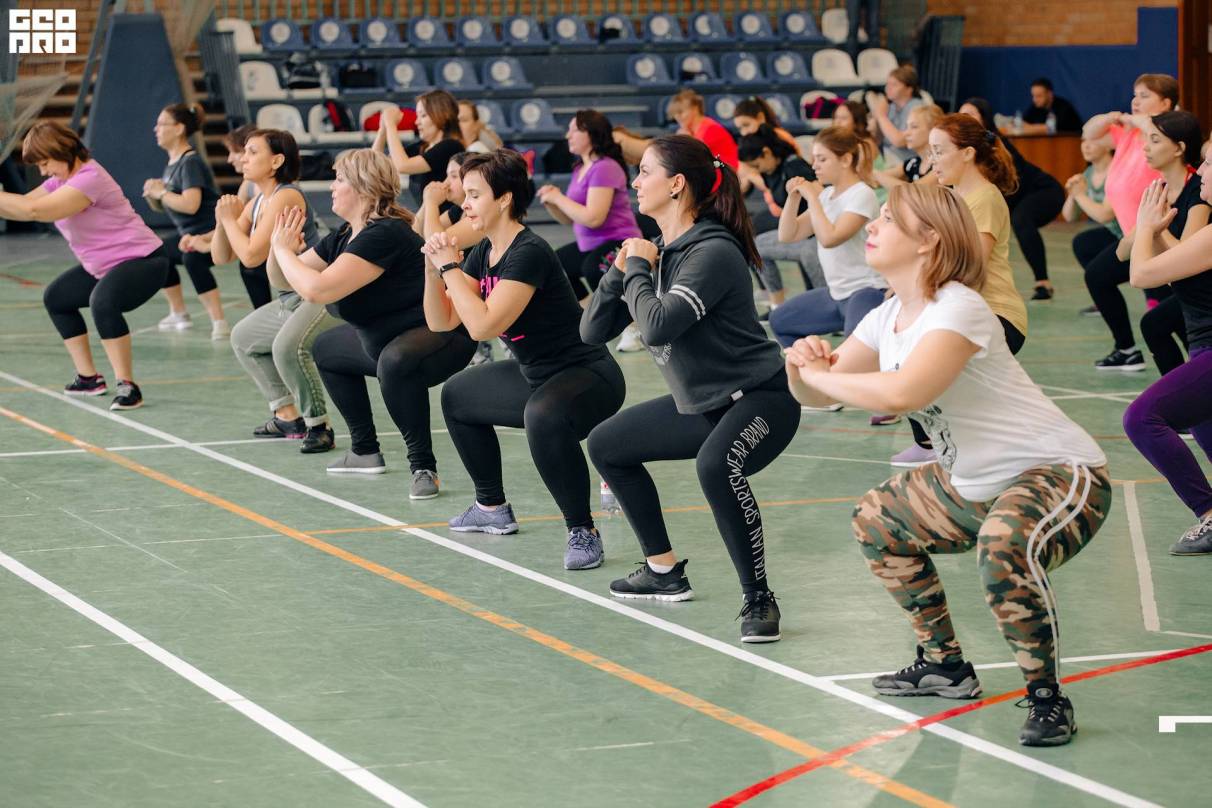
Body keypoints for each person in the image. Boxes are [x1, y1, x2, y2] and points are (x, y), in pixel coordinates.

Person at [787, 182, 1110, 747]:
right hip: (973, 483)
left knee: (1003, 546)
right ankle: (945, 665)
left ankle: (1046, 697)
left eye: (889, 219)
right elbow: (816, 394)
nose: (872, 226)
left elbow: (902, 394)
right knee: (876, 518)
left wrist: (820, 376)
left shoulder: (958, 307)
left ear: (928, 239)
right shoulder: (887, 315)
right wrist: (801, 366)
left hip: (1059, 473)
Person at [581, 135, 800, 642]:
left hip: (762, 399)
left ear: (676, 184)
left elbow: (658, 326)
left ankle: (759, 597)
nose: (635, 182)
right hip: (705, 403)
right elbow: (591, 332)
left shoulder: (712, 251)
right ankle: (662, 570)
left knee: (715, 465)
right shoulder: (658, 251)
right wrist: (621, 271)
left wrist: (638, 268)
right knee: (608, 445)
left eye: (645, 172)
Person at [421, 150, 626, 571]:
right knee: (457, 395)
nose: (465, 204)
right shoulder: (484, 252)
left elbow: (482, 326)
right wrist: (433, 270)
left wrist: (449, 268)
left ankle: (583, 531)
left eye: (474, 194)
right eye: (466, 194)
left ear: (504, 199)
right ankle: (490, 507)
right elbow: (442, 321)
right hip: (536, 374)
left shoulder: (528, 251)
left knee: (543, 415)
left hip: (587, 375)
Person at [269, 150, 477, 494]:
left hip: (442, 336)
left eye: (339, 179)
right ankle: (364, 451)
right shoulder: (344, 235)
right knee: (327, 349)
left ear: (362, 188)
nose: (332, 187)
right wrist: (280, 248)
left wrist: (281, 251)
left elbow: (316, 289)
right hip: (384, 338)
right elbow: (283, 279)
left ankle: (423, 467)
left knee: (395, 361)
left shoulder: (384, 234)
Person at [0, 121, 168, 410]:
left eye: (44, 163)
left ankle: (128, 386)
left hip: (144, 261)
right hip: (104, 267)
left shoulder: (89, 178)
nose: (43, 172)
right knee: (57, 298)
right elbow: (24, 204)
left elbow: (35, 211)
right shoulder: (60, 181)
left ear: (62, 151)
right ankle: (89, 379)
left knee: (102, 302)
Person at [213, 129, 338, 452]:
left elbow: (251, 256)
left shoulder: (286, 195)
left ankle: (318, 425)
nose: (243, 158)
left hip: (317, 293)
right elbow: (222, 256)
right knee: (243, 338)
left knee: (286, 348)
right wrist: (223, 220)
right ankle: (287, 416)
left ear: (276, 161)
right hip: (289, 297)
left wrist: (229, 220)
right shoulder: (258, 201)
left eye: (252, 152)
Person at [1126, 150, 1212, 554]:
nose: (1201, 170)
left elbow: (1141, 274)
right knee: (1201, 424)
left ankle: (1209, 512)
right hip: (1202, 345)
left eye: (1209, 163)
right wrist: (1158, 231)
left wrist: (1145, 228)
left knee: (1142, 418)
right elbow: (1184, 265)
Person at [1093, 111, 1208, 372]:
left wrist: (1156, 228)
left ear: (1179, 148)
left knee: (1157, 323)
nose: (1145, 147)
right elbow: (1123, 252)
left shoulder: (1198, 192)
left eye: (1154, 140)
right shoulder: (1160, 190)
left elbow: (1188, 259)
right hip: (1185, 290)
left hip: (1201, 292)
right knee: (1155, 324)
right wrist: (1145, 228)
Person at [1077, 74, 1177, 344]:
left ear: (1166, 103)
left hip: (1158, 234)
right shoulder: (1128, 133)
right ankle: (1127, 348)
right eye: (1135, 95)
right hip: (1132, 233)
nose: (1136, 101)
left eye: (1145, 96)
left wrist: (1137, 120)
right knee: (1098, 275)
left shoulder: (1166, 133)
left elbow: (1154, 129)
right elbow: (1089, 133)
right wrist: (1111, 117)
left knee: (1171, 314)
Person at [769, 127, 885, 352]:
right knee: (780, 321)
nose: (814, 166)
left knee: (854, 356)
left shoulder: (862, 194)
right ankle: (810, 366)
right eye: (814, 159)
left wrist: (812, 197)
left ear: (846, 160)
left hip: (866, 291)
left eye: (822, 159)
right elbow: (787, 235)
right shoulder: (826, 196)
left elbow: (830, 238)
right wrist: (793, 199)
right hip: (836, 294)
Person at [961, 98, 1065, 300]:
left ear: (984, 119)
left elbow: (1010, 180)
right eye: (961, 114)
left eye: (970, 114)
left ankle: (1043, 282)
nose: (964, 118)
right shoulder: (965, 150)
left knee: (1021, 219)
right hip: (1017, 198)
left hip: (1045, 191)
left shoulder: (995, 143)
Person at [142, 103, 228, 339]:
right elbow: (168, 204)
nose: (156, 129)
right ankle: (178, 313)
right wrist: (154, 194)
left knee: (192, 258)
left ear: (179, 128)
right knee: (156, 252)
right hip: (187, 233)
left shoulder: (190, 162)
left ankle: (219, 321)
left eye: (162, 124)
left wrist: (162, 193)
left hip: (212, 233)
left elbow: (191, 205)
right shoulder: (172, 163)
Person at [538, 110, 641, 302]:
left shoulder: (605, 167)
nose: (568, 135)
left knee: (592, 268)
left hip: (619, 241)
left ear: (592, 134)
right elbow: (569, 219)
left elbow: (594, 218)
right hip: (590, 245)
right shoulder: (579, 168)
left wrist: (558, 198)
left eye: (574, 130)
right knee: (552, 265)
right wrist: (551, 203)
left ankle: (620, 312)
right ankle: (580, 309)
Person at [177, 124, 270, 309]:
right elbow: (237, 224)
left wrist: (206, 246)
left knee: (250, 264)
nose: (230, 159)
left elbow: (251, 240)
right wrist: (201, 238)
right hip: (264, 246)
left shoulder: (276, 190)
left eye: (234, 152)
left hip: (292, 249)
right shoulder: (248, 185)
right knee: (196, 257)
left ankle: (269, 314)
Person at [737, 125, 821, 313]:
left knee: (809, 253)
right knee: (756, 246)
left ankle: (825, 304)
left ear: (766, 153)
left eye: (756, 165)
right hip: (797, 232)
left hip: (813, 234)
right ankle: (777, 306)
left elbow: (821, 196)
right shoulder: (769, 171)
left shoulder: (794, 166)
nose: (756, 170)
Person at [374, 89, 465, 203]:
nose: (417, 122)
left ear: (443, 114)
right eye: (417, 116)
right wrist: (383, 129)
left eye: (423, 115)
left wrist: (391, 125)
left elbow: (403, 166)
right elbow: (375, 165)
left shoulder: (451, 146)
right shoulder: (421, 146)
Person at [614, 89, 738, 170]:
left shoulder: (711, 129)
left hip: (723, 172)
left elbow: (694, 157)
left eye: (681, 112)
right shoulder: (687, 131)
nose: (677, 117)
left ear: (695, 108)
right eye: (675, 114)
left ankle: (626, 142)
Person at [873, 103, 943, 188]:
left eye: (914, 127)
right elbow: (873, 180)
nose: (906, 133)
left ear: (933, 130)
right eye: (907, 127)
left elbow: (914, 190)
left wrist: (877, 175)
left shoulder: (942, 165)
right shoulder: (913, 163)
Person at [869, 65, 923, 164]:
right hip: (888, 156)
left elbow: (900, 141)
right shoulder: (891, 106)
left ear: (909, 89)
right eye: (887, 84)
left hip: (908, 161)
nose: (888, 88)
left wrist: (881, 116)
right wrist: (876, 120)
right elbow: (877, 140)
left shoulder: (917, 108)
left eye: (894, 84)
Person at [1017, 78, 1083, 135]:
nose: (1034, 100)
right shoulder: (1036, 107)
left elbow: (1052, 128)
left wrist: (1031, 128)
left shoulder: (1064, 107)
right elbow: (1022, 124)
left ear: (1050, 94)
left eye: (1039, 96)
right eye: (1033, 96)